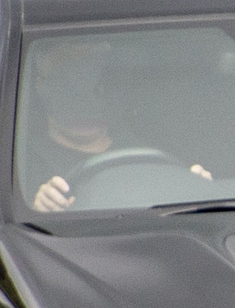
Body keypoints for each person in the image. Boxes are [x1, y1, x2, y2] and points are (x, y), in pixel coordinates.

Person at [22, 40, 211, 213]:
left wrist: (199, 193)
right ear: (42, 87)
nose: (83, 86)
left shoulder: (153, 143)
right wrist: (38, 209)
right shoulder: (19, 164)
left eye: (93, 74)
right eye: (67, 76)